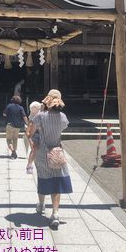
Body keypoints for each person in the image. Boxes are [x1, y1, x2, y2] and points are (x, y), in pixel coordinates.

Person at [28, 89, 72, 229]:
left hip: (42, 153)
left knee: (43, 178)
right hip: (56, 152)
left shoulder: (40, 116)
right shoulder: (63, 117)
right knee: (56, 182)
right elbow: (63, 127)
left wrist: (41, 111)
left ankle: (41, 205)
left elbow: (30, 133)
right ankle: (55, 213)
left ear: (47, 100)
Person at [26, 101, 43, 174]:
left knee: (38, 150)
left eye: (35, 108)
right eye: (32, 108)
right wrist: (29, 139)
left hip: (42, 135)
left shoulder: (41, 114)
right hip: (35, 135)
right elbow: (29, 130)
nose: (33, 109)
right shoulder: (31, 117)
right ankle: (29, 165)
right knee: (34, 150)